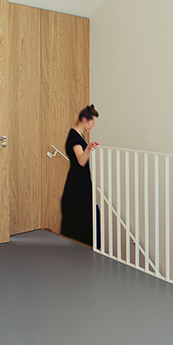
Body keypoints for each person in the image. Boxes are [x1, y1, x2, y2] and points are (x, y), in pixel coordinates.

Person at [60, 104, 100, 247]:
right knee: (82, 215)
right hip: (77, 183)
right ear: (84, 120)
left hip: (80, 181)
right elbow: (81, 161)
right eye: (92, 122)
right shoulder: (75, 137)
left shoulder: (79, 135)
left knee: (87, 214)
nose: (93, 126)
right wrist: (88, 148)